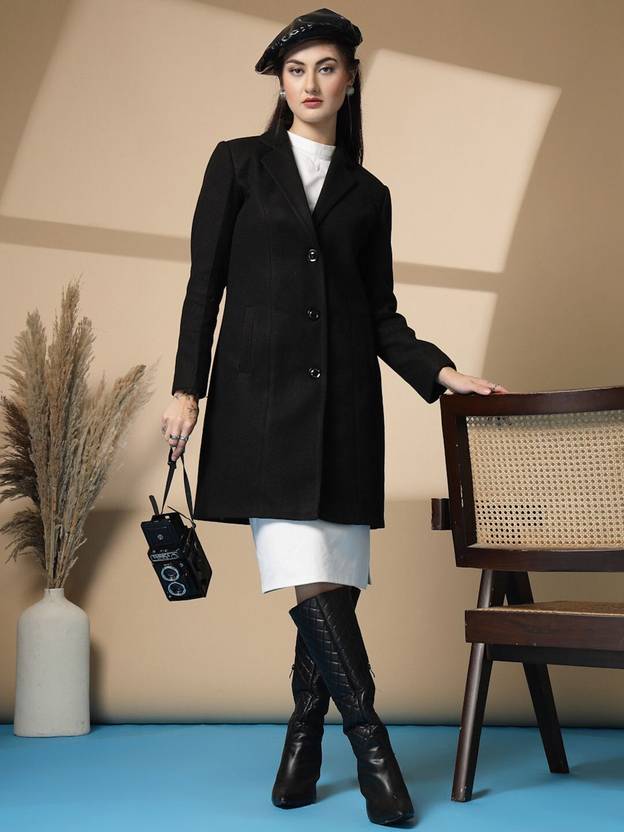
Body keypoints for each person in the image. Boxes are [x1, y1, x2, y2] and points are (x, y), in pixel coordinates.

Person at [162, 7, 510, 826]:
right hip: (261, 410)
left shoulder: (368, 194)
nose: (310, 83)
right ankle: (373, 749)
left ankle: (301, 745)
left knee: (335, 586)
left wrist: (441, 372)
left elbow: (380, 314)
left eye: (326, 67)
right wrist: (186, 389)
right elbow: (204, 285)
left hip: (346, 412)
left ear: (351, 79)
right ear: (281, 84)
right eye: (296, 70)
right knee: (306, 573)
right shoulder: (238, 164)